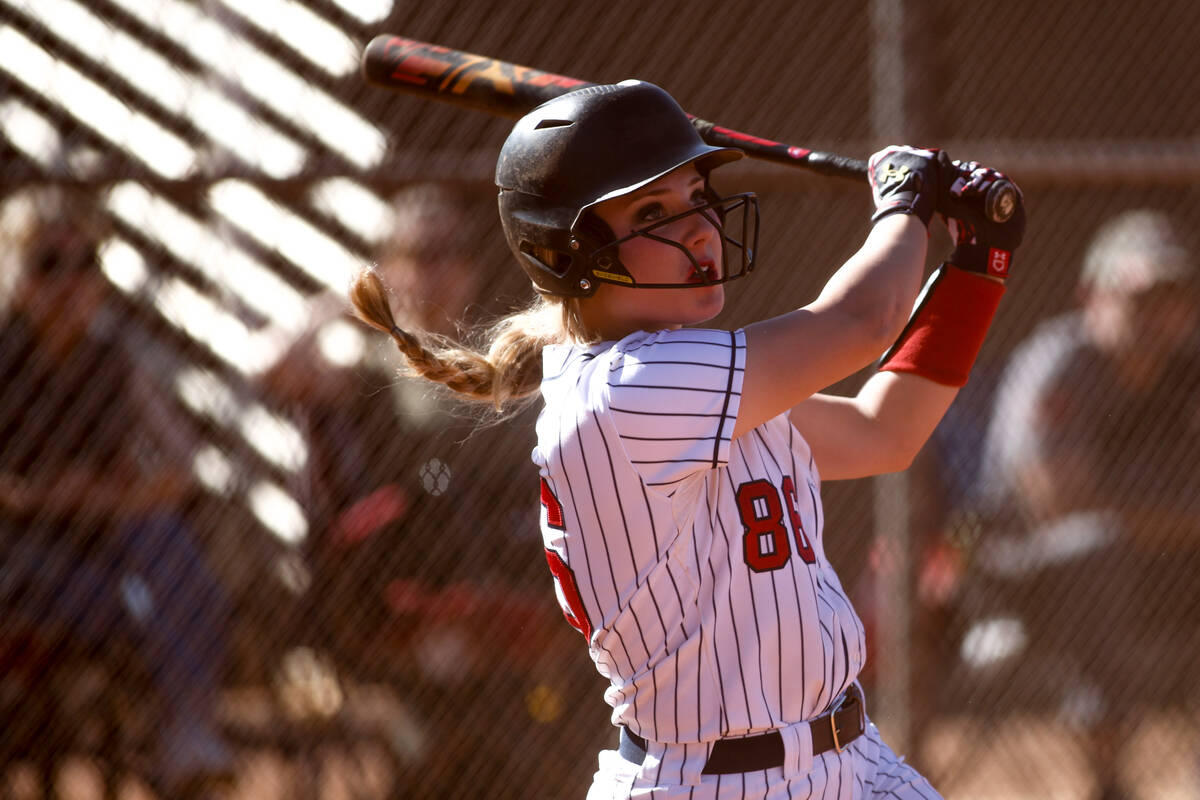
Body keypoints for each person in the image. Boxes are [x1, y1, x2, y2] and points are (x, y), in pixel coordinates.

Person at [349, 81, 1024, 799]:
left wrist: (980, 264)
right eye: (652, 213)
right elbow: (862, 321)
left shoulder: (705, 387)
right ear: (570, 254)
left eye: (697, 197)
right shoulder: (624, 393)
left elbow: (882, 432)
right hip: (713, 784)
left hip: (850, 760)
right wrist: (904, 201)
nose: (700, 229)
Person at [0, 189, 235, 795]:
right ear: (17, 275)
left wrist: (91, 497)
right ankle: (177, 730)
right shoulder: (7, 357)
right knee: (148, 586)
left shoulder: (111, 360)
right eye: (50, 264)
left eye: (87, 264)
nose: (71, 281)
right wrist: (51, 498)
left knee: (164, 544)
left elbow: (183, 468)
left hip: (104, 553)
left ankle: (187, 732)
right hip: (19, 562)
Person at [967, 209, 1200, 799]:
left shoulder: (1187, 373)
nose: (1160, 315)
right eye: (1142, 296)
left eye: (1174, 296)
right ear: (1091, 295)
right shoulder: (1059, 365)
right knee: (1098, 547)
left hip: (1156, 567)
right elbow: (1059, 505)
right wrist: (1178, 520)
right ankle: (1107, 783)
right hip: (1019, 573)